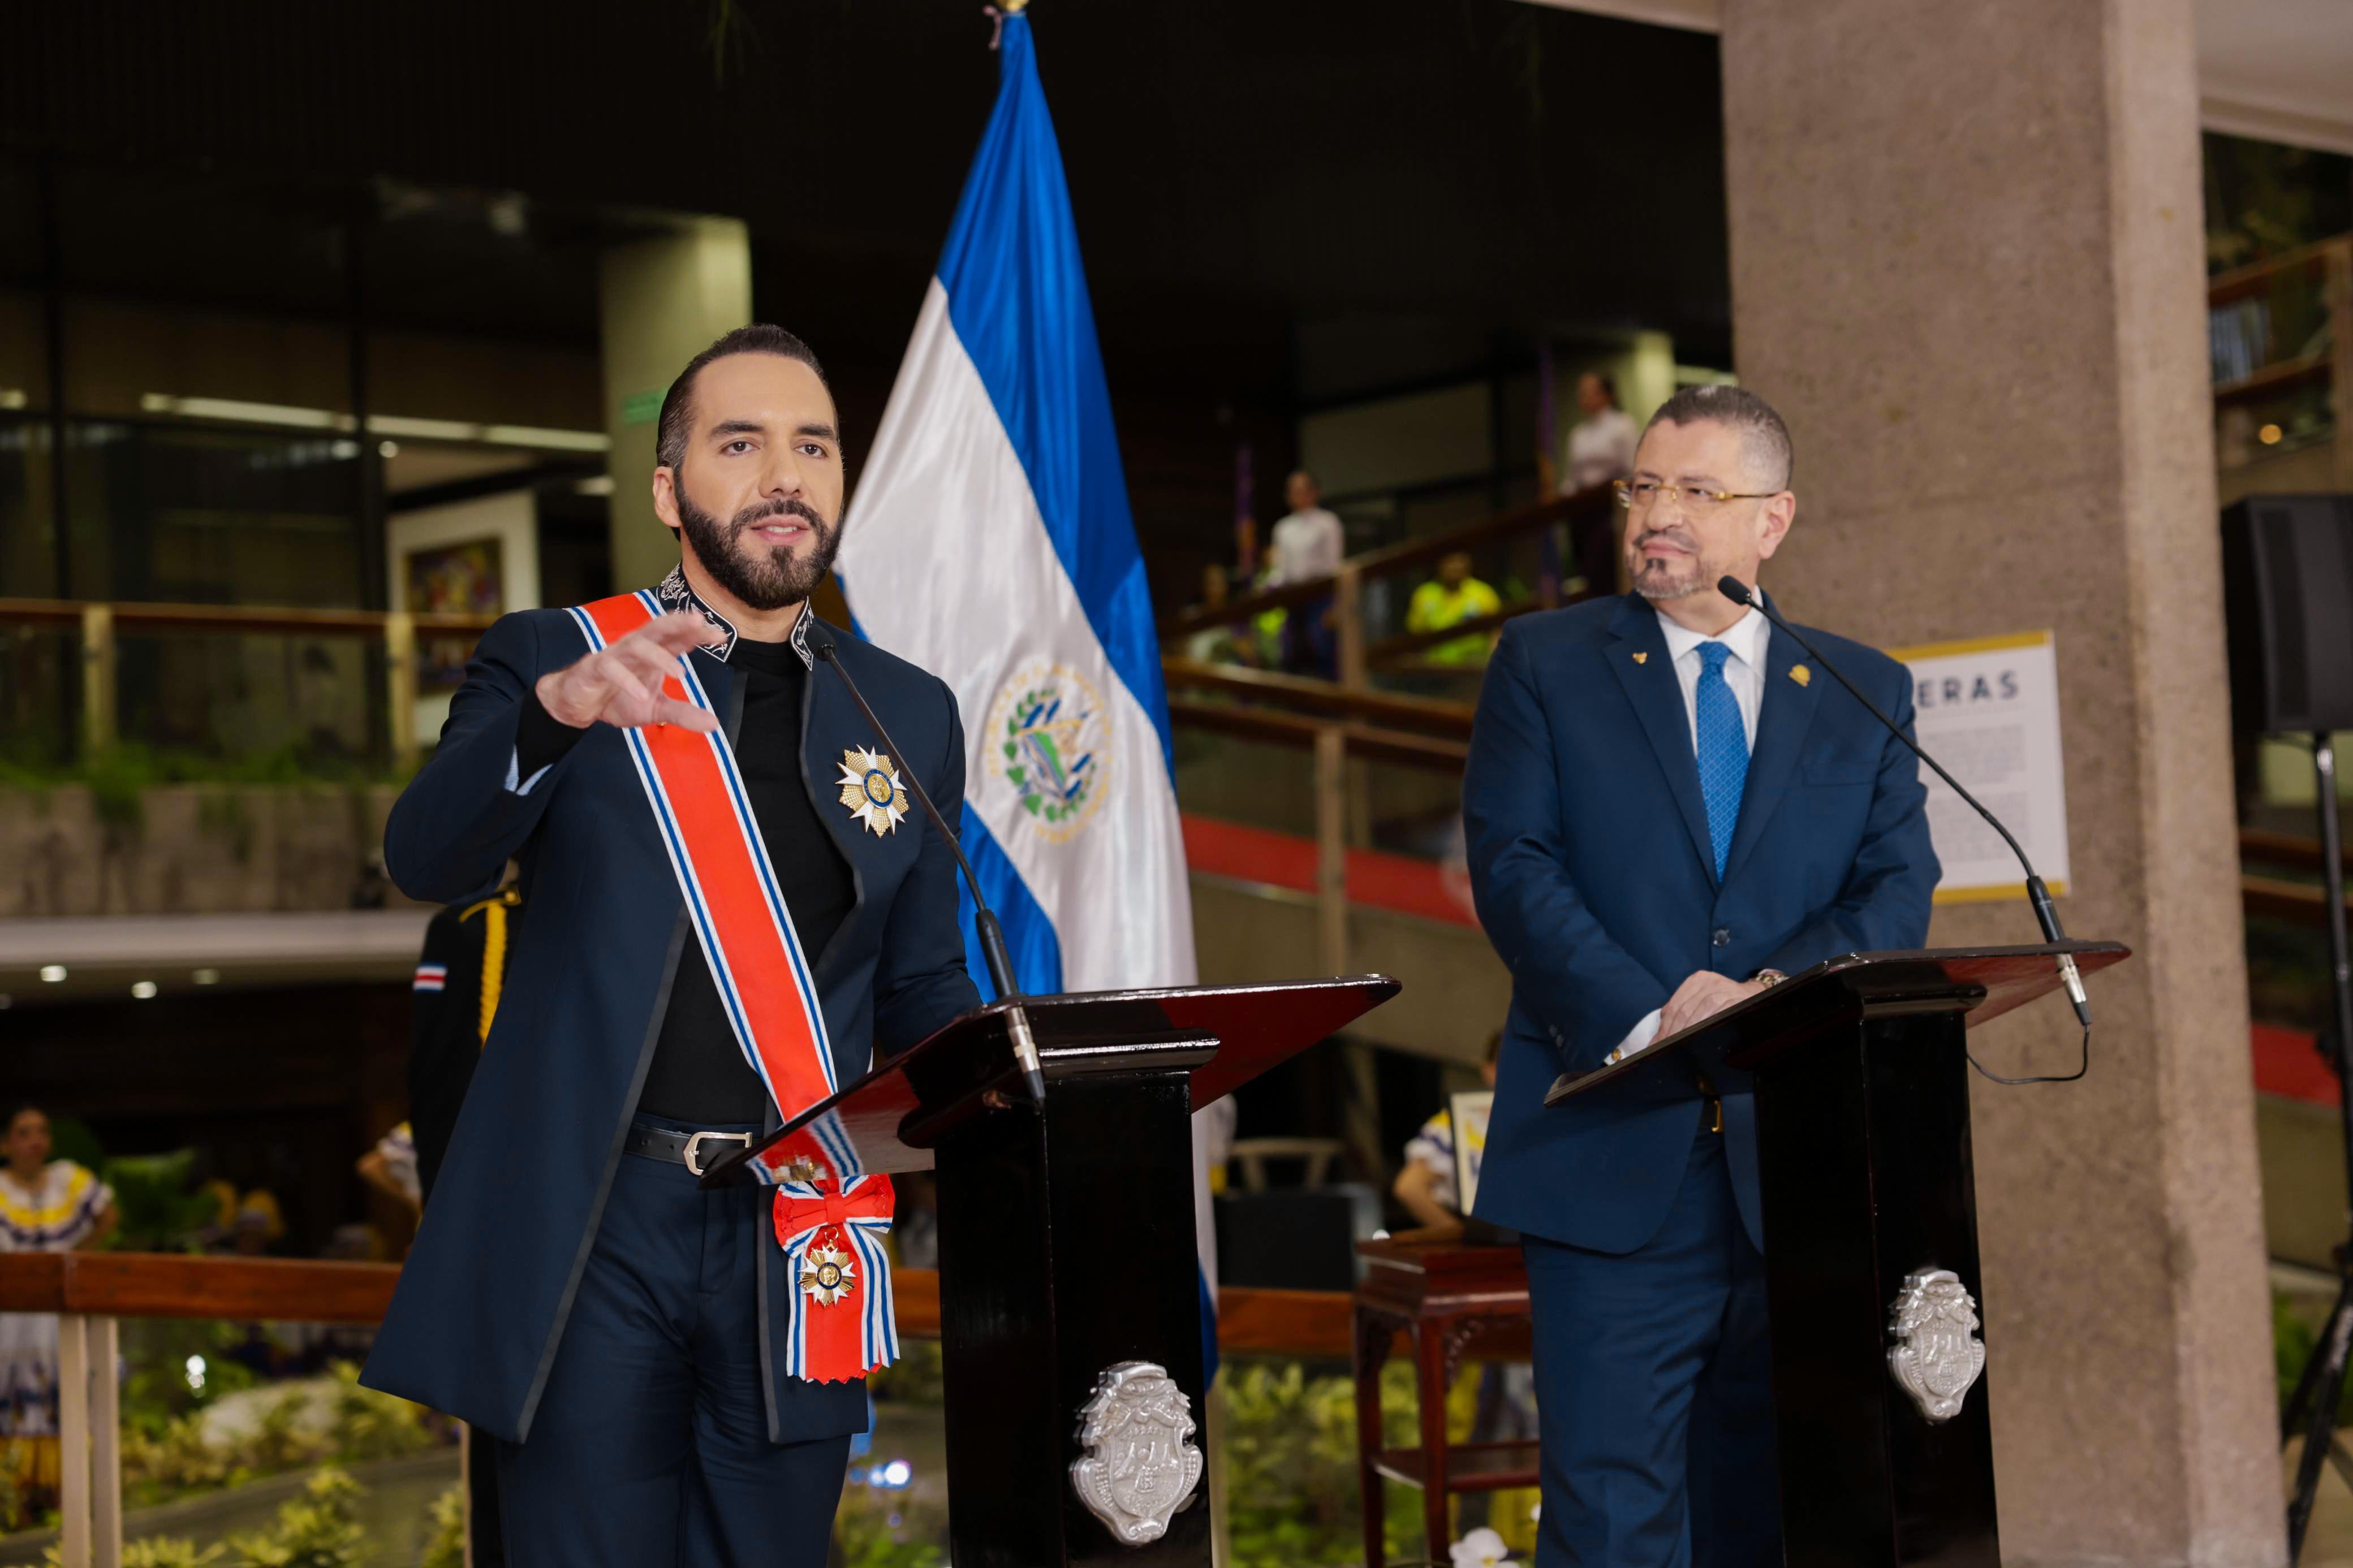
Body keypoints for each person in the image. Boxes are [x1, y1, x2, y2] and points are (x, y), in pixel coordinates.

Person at [361, 324, 980, 1568]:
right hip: (594, 1229)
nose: (785, 476)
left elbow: (921, 982)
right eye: (741, 444)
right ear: (666, 490)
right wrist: (559, 716)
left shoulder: (907, 709)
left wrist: (1013, 1100)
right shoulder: (555, 655)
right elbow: (425, 857)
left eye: (814, 446)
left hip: (800, 1223)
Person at [1464, 383, 1937, 1567]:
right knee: (1613, 1522)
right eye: (1643, 486)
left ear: (1772, 519)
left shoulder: (1861, 689)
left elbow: (1893, 891)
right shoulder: (1545, 662)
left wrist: (1767, 995)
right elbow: (1514, 866)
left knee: (1785, 1514)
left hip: (1802, 1172)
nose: (1656, 514)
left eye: (1694, 490)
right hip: (1611, 1152)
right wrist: (1653, 1014)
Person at [0, 1107, 117, 1517]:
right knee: (13, 1401)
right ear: (6, 1143)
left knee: (68, 1396)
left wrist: (76, 1260)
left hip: (60, 1315)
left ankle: (69, 1502)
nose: (35, 1140)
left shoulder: (69, 1179)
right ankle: (14, 1503)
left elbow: (107, 1215)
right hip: (11, 1324)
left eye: (42, 1131)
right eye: (23, 1132)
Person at [1562, 373, 1637, 597]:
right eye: (1581, 393)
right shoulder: (1578, 434)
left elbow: (1633, 468)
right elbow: (1573, 477)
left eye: (1590, 392)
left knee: (1606, 566)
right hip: (1584, 508)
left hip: (1611, 506)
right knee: (1587, 569)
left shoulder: (1622, 425)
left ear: (1607, 395)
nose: (1584, 398)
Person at [1267, 470, 1343, 677]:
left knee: (1323, 650)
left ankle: (1330, 697)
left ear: (1314, 492)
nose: (1298, 496)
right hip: (1293, 597)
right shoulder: (1283, 528)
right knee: (1290, 654)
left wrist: (1335, 604)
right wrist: (1270, 587)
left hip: (1320, 595)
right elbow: (1281, 569)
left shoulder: (1328, 522)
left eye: (1303, 490)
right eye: (1293, 491)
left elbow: (1334, 565)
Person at [1404, 552, 1503, 667]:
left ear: (1467, 563)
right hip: (1434, 667)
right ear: (1439, 564)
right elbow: (1415, 635)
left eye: (1459, 561)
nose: (1454, 566)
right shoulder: (1424, 594)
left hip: (1473, 667)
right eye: (1449, 561)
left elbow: (1496, 634)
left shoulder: (1483, 593)